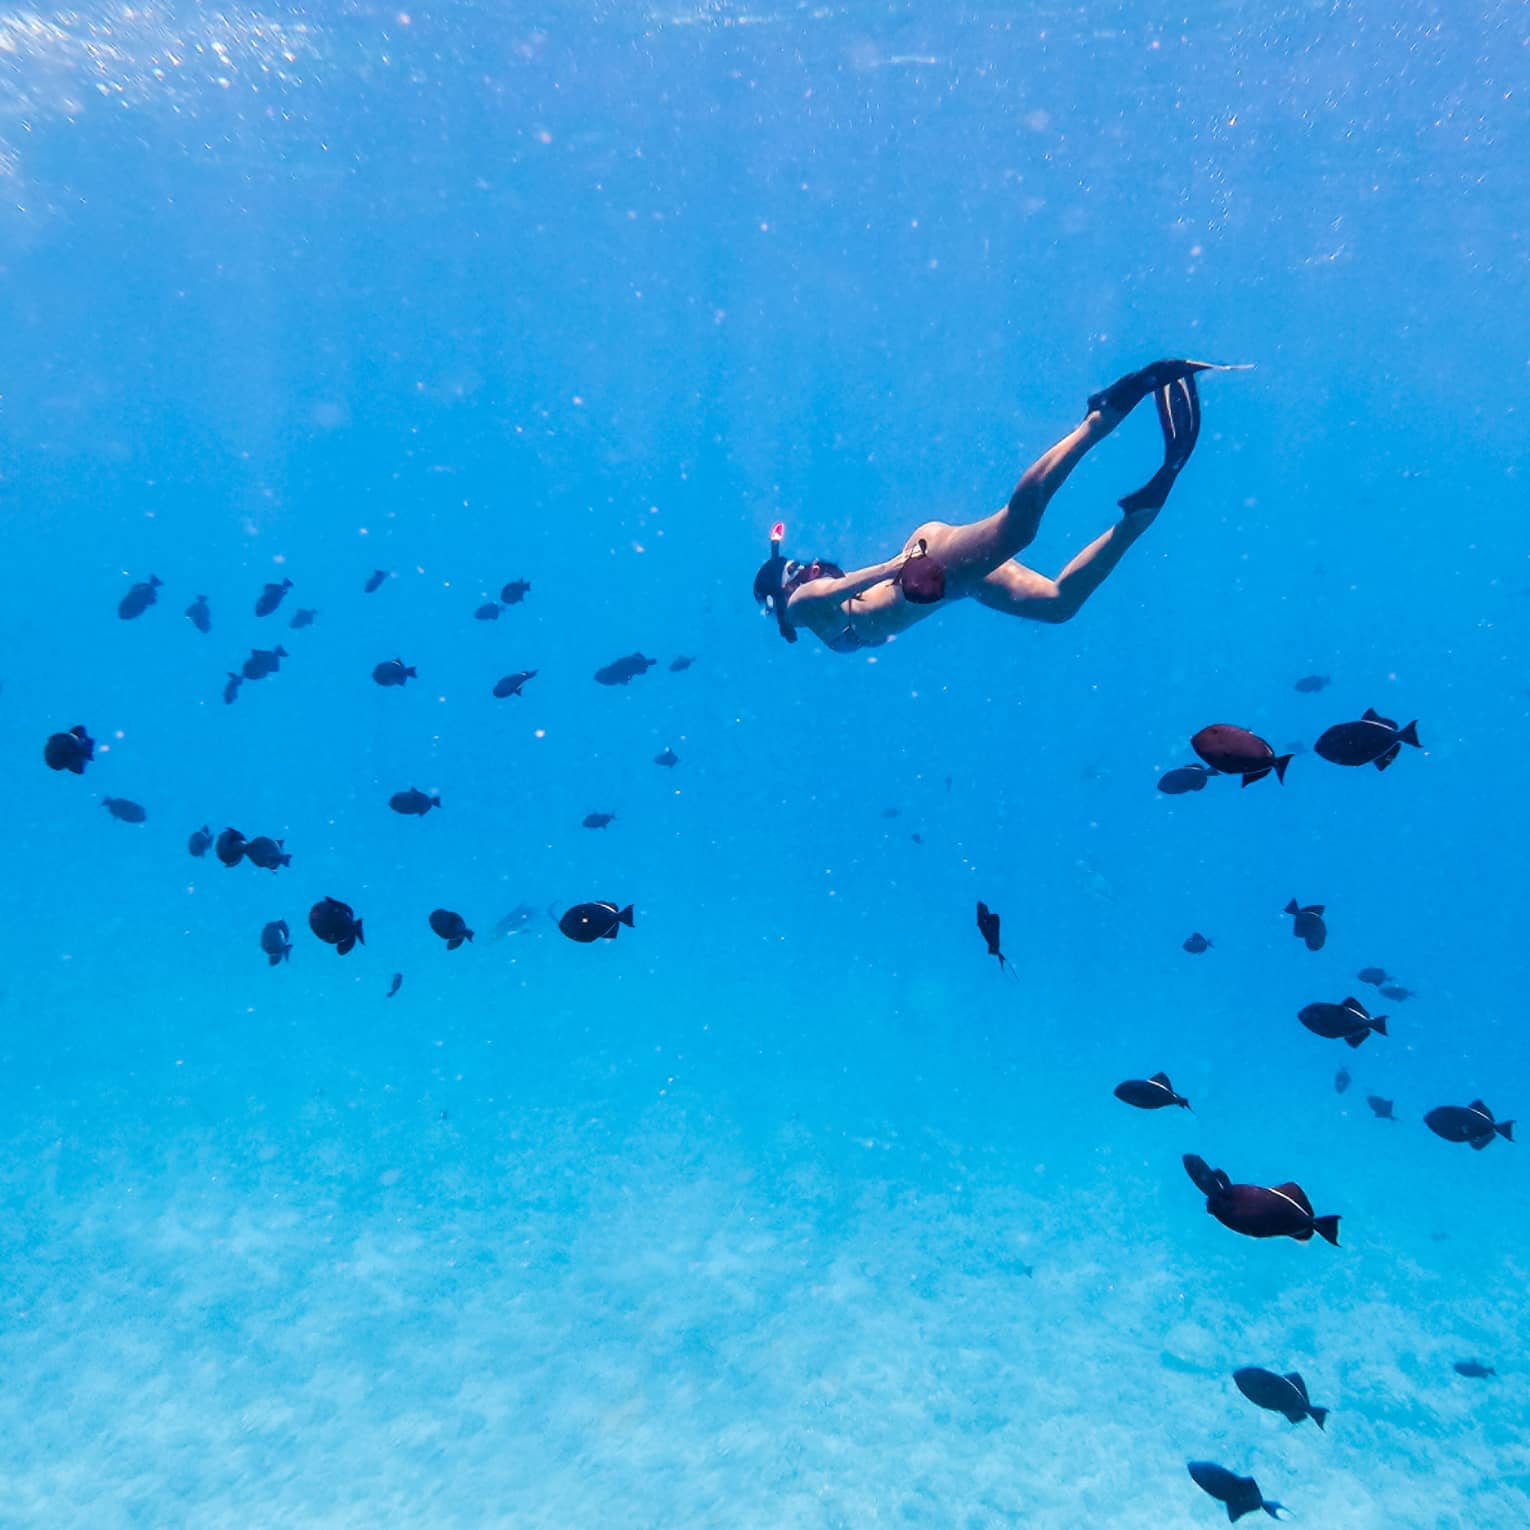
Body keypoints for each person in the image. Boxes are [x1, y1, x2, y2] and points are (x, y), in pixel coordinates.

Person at [752, 359, 1244, 652]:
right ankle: (1137, 517)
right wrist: (890, 568)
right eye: (795, 570)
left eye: (801, 563)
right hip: (939, 580)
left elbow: (825, 591)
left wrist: (897, 566)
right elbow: (810, 599)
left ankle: (1098, 419)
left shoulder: (811, 600)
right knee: (1058, 605)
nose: (809, 567)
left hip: (925, 566)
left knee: (1019, 530)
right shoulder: (800, 610)